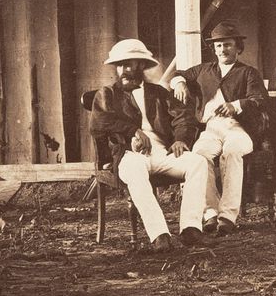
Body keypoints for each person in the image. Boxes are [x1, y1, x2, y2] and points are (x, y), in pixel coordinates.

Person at [89, 38, 208, 251]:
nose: (123, 70)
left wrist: (180, 139)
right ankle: (160, 235)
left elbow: (183, 116)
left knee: (198, 162)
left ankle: (190, 228)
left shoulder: (159, 92)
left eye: (128, 64)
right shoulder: (107, 94)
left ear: (141, 65)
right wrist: (133, 130)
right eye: (119, 65)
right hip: (127, 155)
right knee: (135, 171)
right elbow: (100, 122)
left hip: (162, 152)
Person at [169, 21, 268, 233]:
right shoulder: (203, 70)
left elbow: (259, 99)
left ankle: (228, 217)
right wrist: (179, 83)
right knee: (199, 154)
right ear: (214, 49)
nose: (223, 49)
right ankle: (210, 213)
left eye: (228, 44)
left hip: (238, 128)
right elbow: (179, 74)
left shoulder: (248, 73)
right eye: (219, 45)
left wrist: (236, 106)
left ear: (238, 48)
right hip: (211, 128)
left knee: (232, 152)